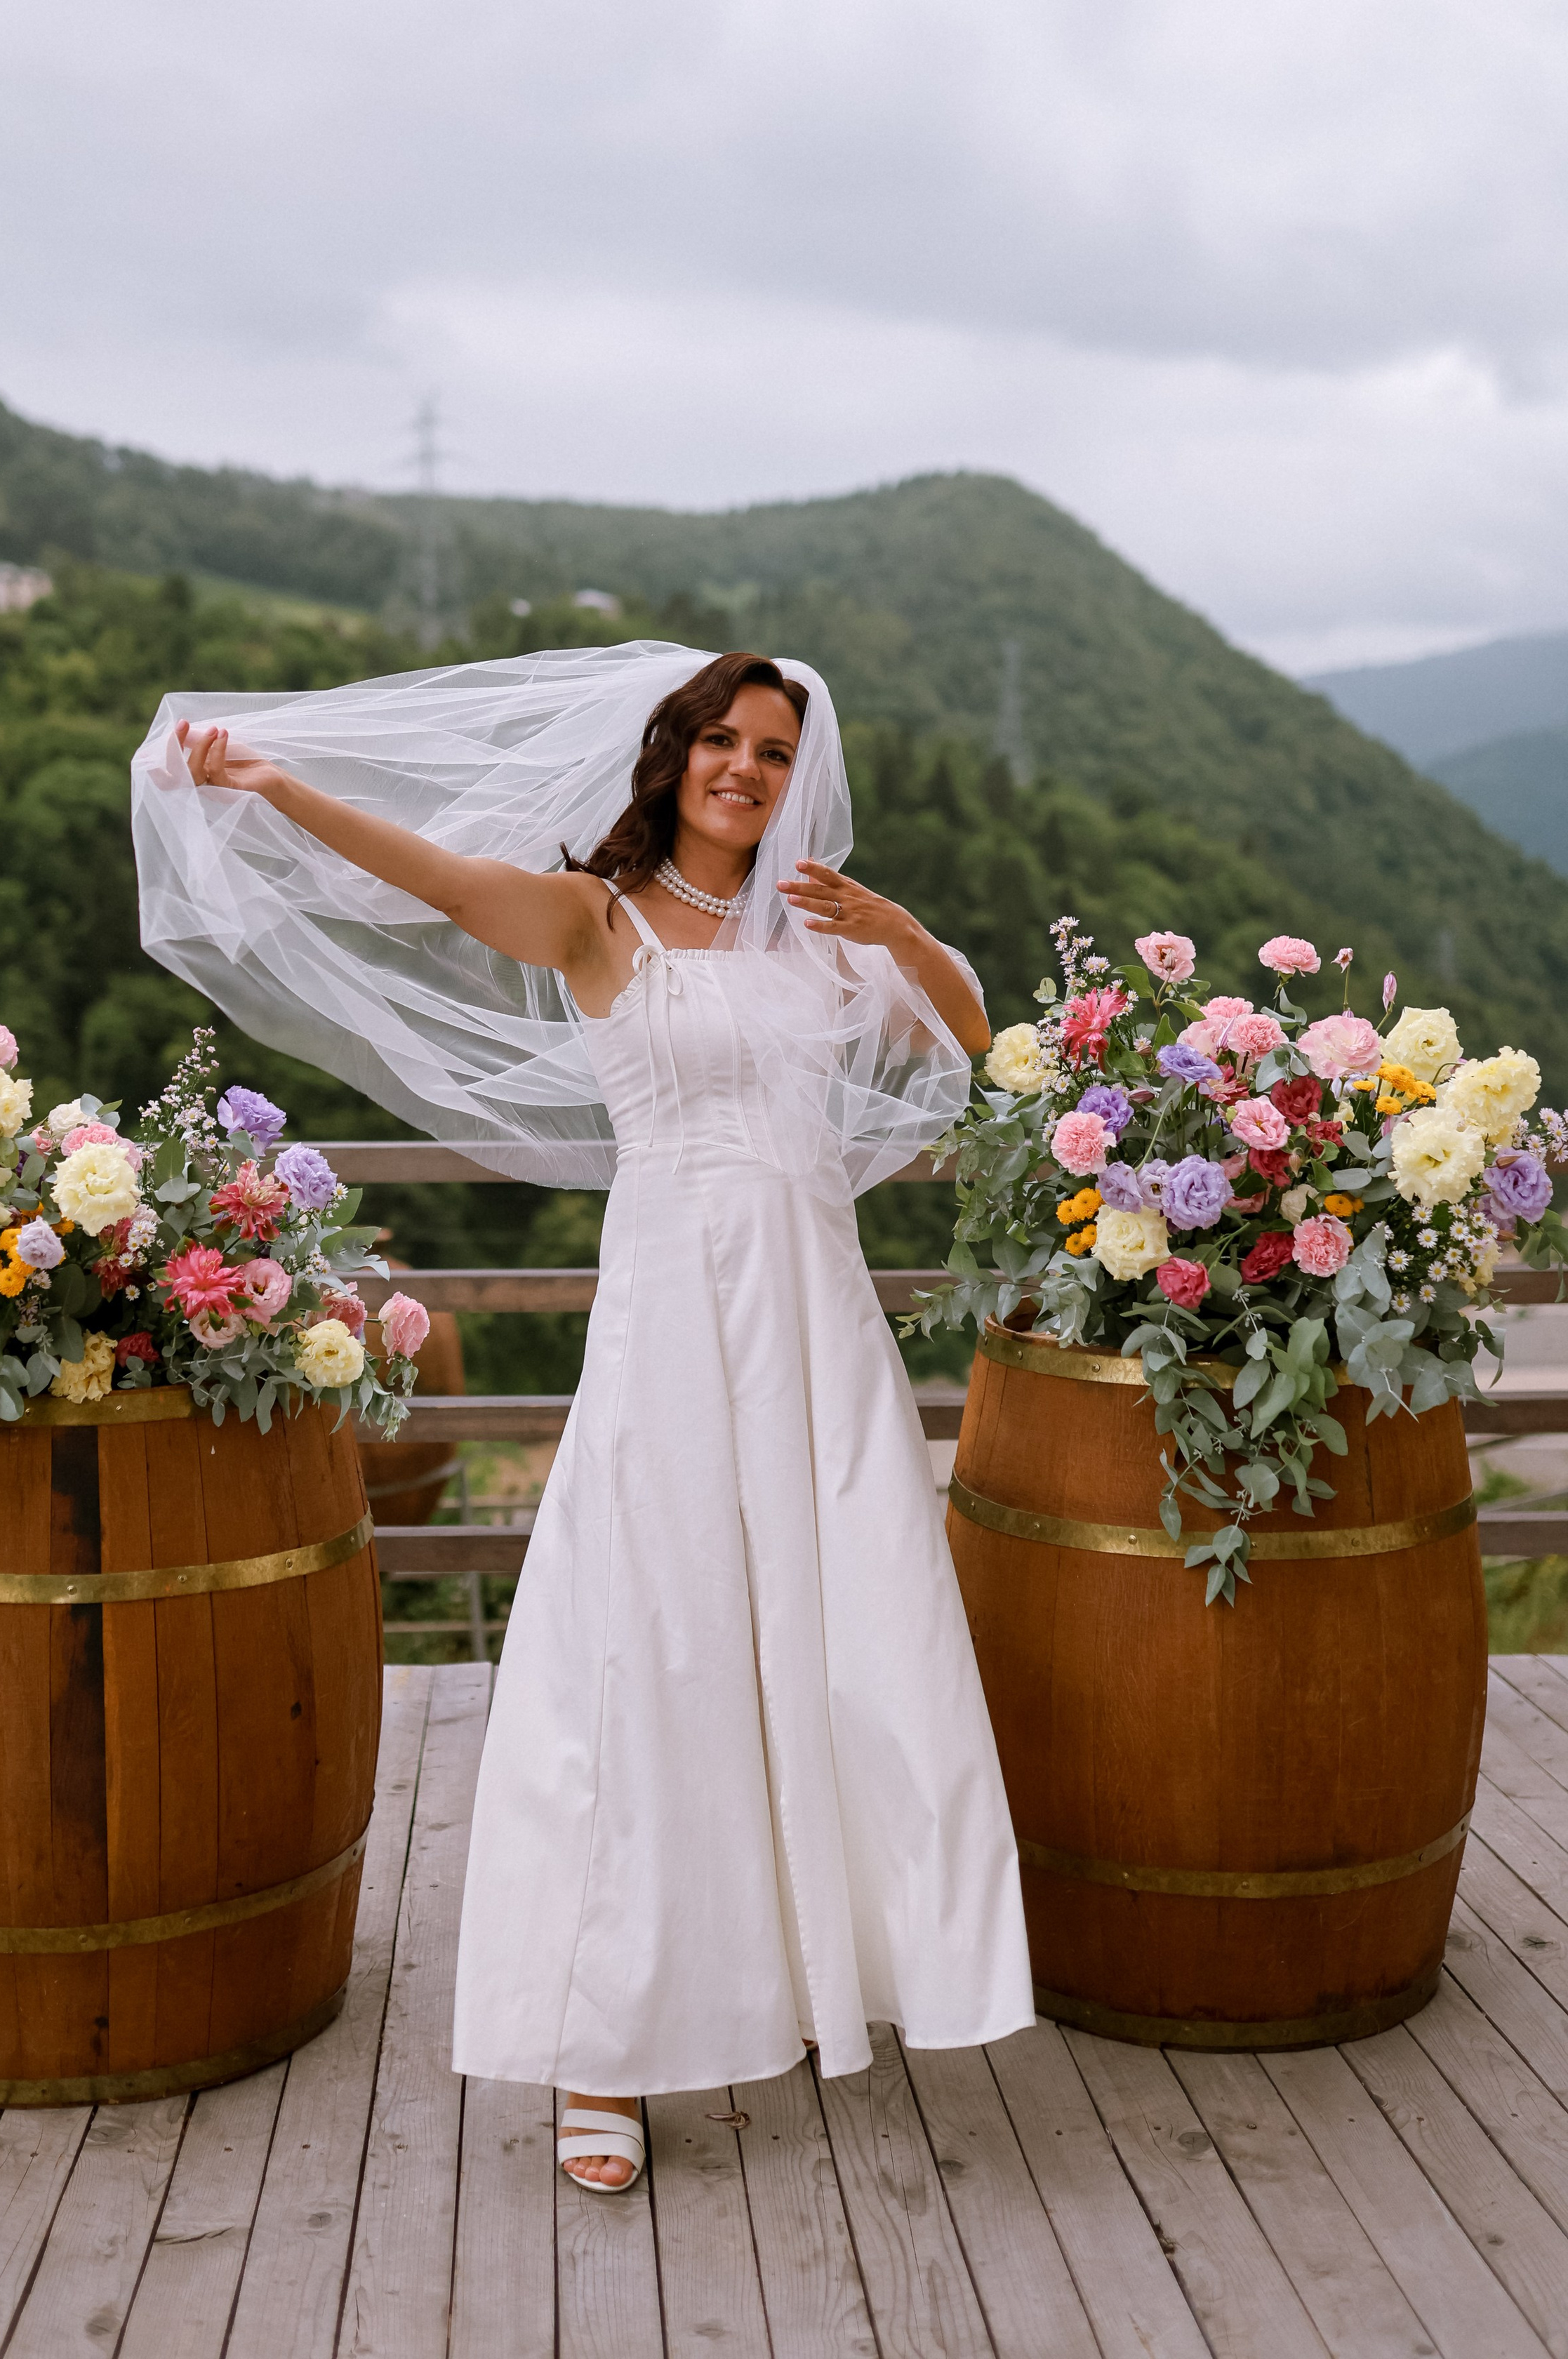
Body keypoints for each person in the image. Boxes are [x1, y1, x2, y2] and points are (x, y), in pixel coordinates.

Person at [141, 645, 1033, 2196]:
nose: (744, 769)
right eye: (721, 740)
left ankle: (825, 1973)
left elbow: (966, 1033)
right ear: (675, 754)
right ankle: (596, 2048)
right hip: (673, 1311)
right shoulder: (594, 919)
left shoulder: (822, 939)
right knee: (645, 1650)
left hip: (816, 1320)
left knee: (847, 1631)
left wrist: (899, 930)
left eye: (773, 751)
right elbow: (430, 878)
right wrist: (277, 786)